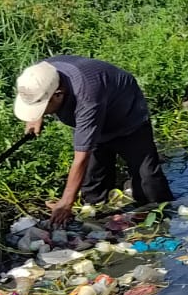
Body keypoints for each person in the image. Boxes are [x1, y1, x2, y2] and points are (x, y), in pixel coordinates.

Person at [13, 56, 174, 226]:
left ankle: (164, 221)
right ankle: (96, 218)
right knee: (93, 184)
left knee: (147, 181)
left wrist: (66, 202)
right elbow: (33, 94)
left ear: (59, 95)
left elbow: (81, 157)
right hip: (95, 108)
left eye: (42, 107)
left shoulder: (87, 97)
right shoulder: (38, 75)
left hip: (126, 112)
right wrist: (35, 117)